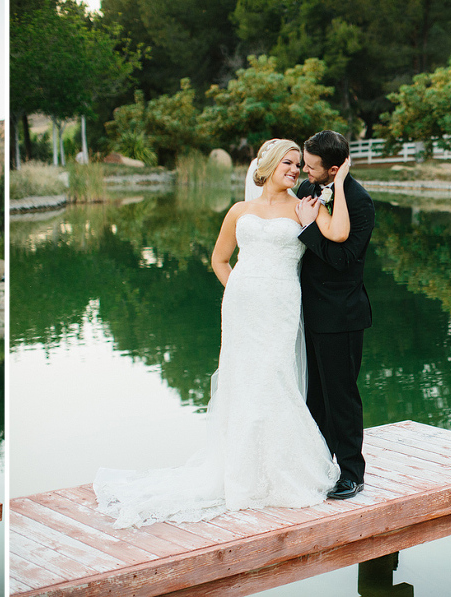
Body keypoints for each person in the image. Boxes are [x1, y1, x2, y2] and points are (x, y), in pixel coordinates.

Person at [94, 138, 340, 527]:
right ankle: (239, 471)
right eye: (288, 163)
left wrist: (335, 190)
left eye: (298, 165)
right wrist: (239, 291)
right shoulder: (239, 210)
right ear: (269, 165)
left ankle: (281, 470)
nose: (295, 170)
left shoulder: (304, 208)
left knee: (275, 379)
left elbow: (337, 239)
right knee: (242, 382)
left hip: (280, 307)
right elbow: (219, 259)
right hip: (242, 308)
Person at [294, 130, 375, 500]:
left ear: (334, 168)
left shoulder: (359, 203)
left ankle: (352, 474)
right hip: (306, 312)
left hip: (341, 316)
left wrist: (309, 229)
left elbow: (343, 260)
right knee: (315, 398)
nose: (305, 173)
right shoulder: (308, 190)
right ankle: (319, 465)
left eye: (312, 167)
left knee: (341, 398)